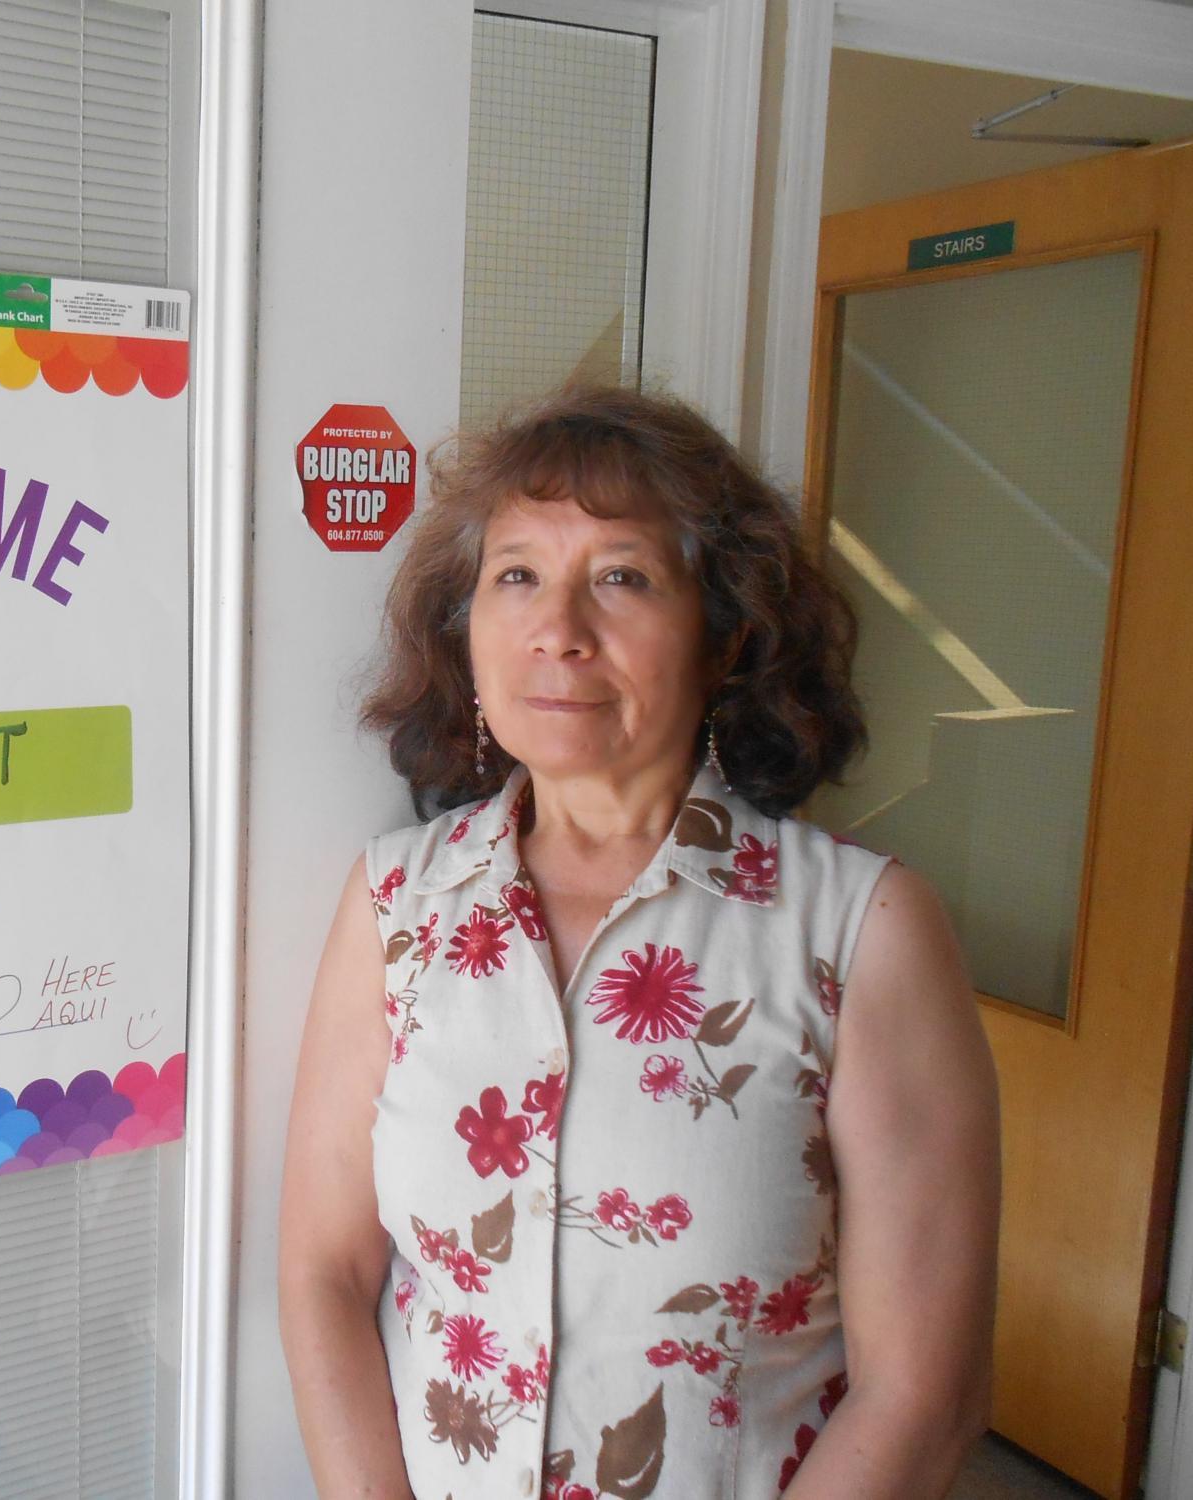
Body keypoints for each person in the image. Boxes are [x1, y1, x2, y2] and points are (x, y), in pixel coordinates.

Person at [277, 384, 1000, 1499]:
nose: (557, 628)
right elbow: (325, 1270)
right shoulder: (395, 904)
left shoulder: (863, 932)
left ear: (725, 638)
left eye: (620, 576)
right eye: (515, 574)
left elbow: (923, 1397)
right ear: (463, 630)